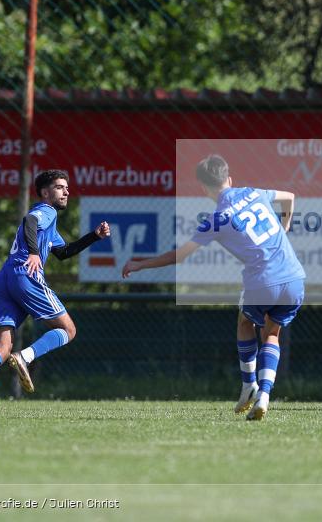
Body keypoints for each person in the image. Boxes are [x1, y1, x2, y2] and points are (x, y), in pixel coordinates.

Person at [122, 155, 305, 421]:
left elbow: (180, 256)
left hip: (263, 281)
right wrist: (284, 225)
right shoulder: (254, 192)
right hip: (295, 277)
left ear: (204, 188)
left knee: (245, 322)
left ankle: (249, 385)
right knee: (272, 333)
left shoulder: (217, 219)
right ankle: (264, 395)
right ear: (229, 178)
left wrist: (141, 264)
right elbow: (289, 197)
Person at [0, 170, 110, 409]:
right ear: (45, 193)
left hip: (5, 277)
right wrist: (34, 253)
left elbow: (63, 252)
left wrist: (94, 237)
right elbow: (30, 221)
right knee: (68, 330)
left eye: (67, 188)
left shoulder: (49, 223)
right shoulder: (46, 211)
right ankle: (24, 357)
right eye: (59, 187)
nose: (66, 192)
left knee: (2, 346)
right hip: (25, 273)